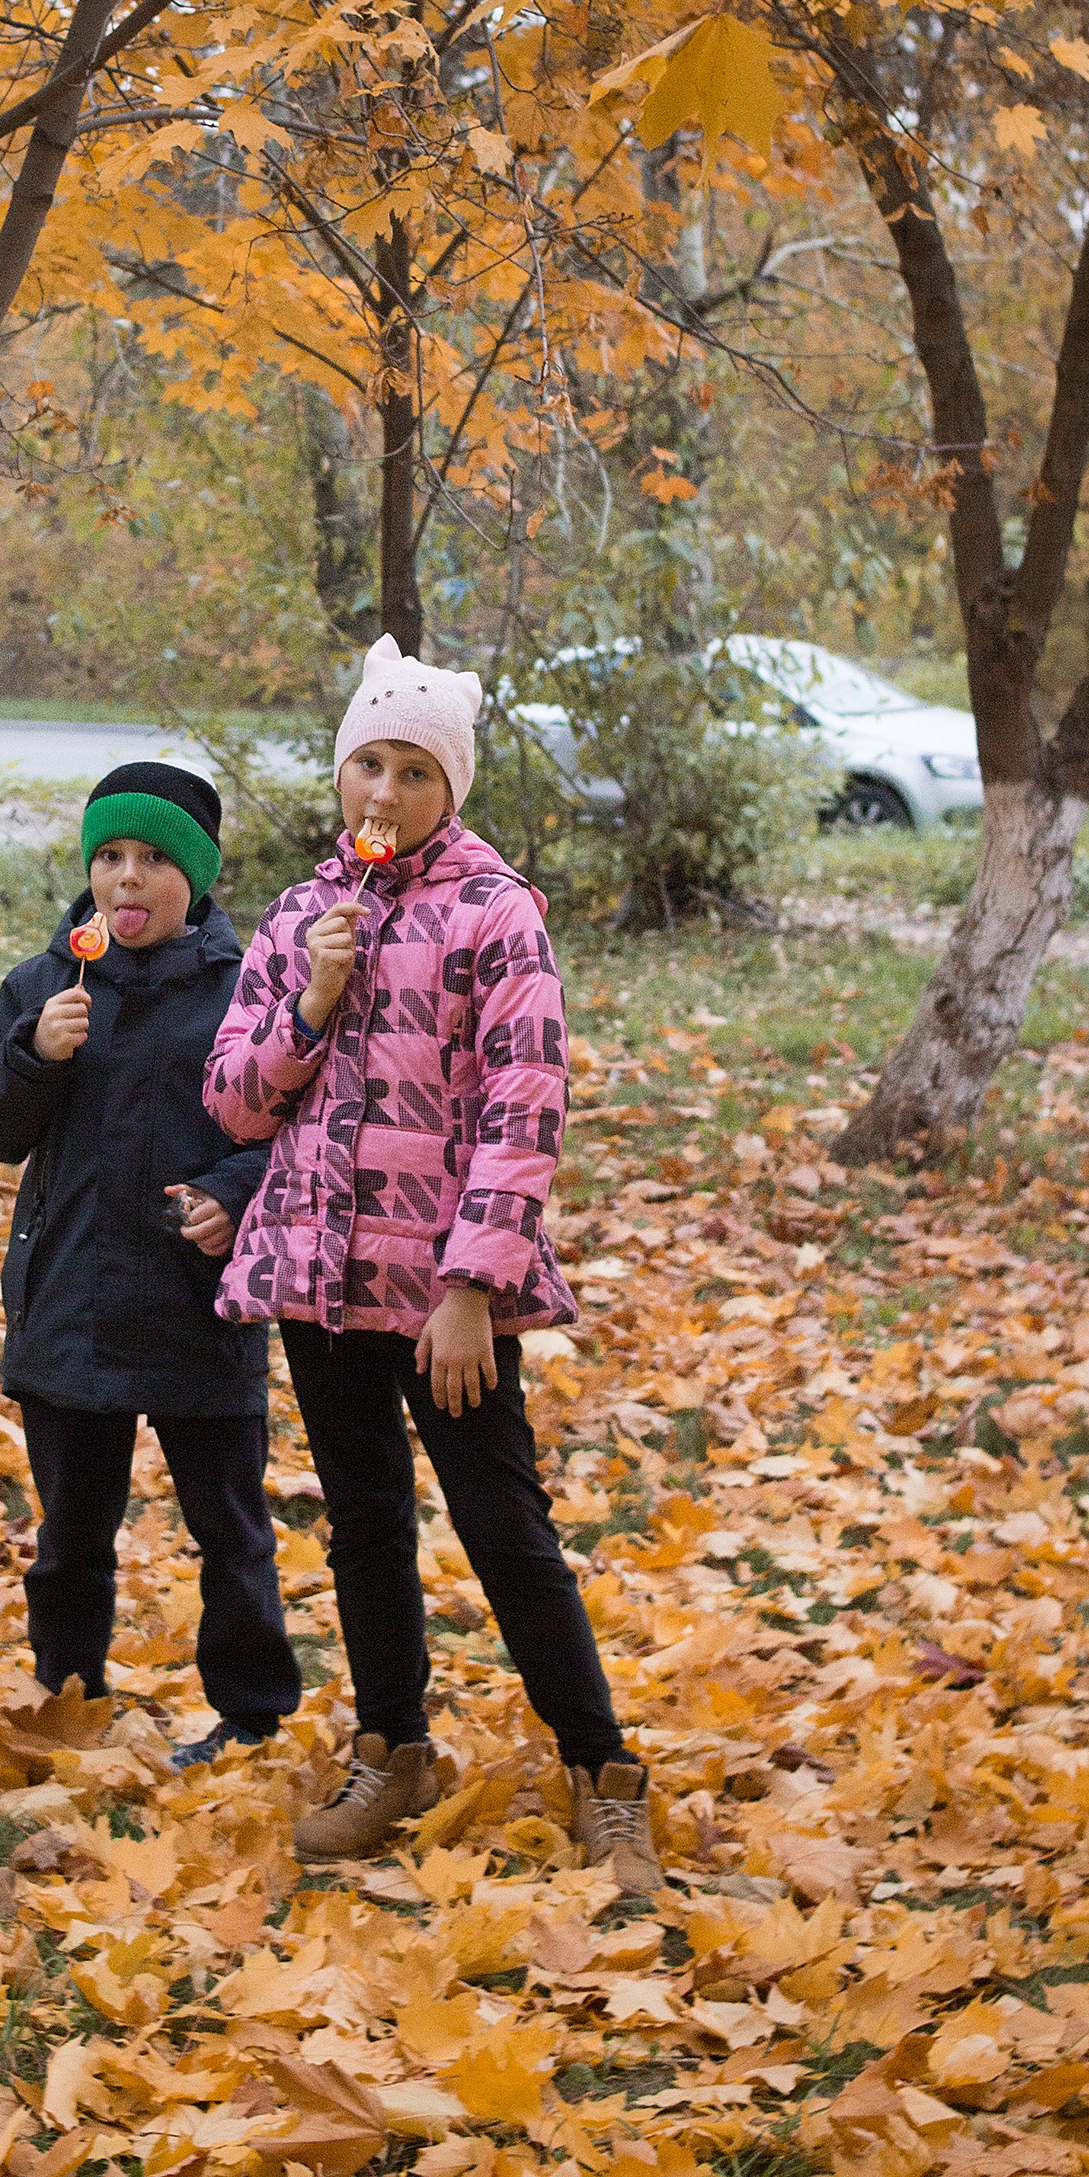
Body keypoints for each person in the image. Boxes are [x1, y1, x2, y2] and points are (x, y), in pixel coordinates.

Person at [205, 637, 659, 1887]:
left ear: (448, 788)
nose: (385, 793)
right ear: (340, 772)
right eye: (369, 765)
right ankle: (392, 1749)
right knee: (362, 1525)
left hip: (442, 1293)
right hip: (319, 1277)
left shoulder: (493, 913)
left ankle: (603, 1770)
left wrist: (469, 1289)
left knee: (503, 1526)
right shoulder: (298, 916)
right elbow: (233, 1105)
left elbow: (526, 1104)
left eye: (414, 772)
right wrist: (310, 1000)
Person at [0, 759, 301, 1766]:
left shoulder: (245, 992)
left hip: (200, 1306)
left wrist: (233, 1196)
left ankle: (250, 1712)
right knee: (71, 1531)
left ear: (195, 877)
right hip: (74, 1300)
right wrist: (32, 1054)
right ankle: (69, 1692)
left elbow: (288, 1134)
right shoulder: (43, 986)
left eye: (153, 859)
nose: (127, 878)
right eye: (108, 856)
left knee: (231, 1530)